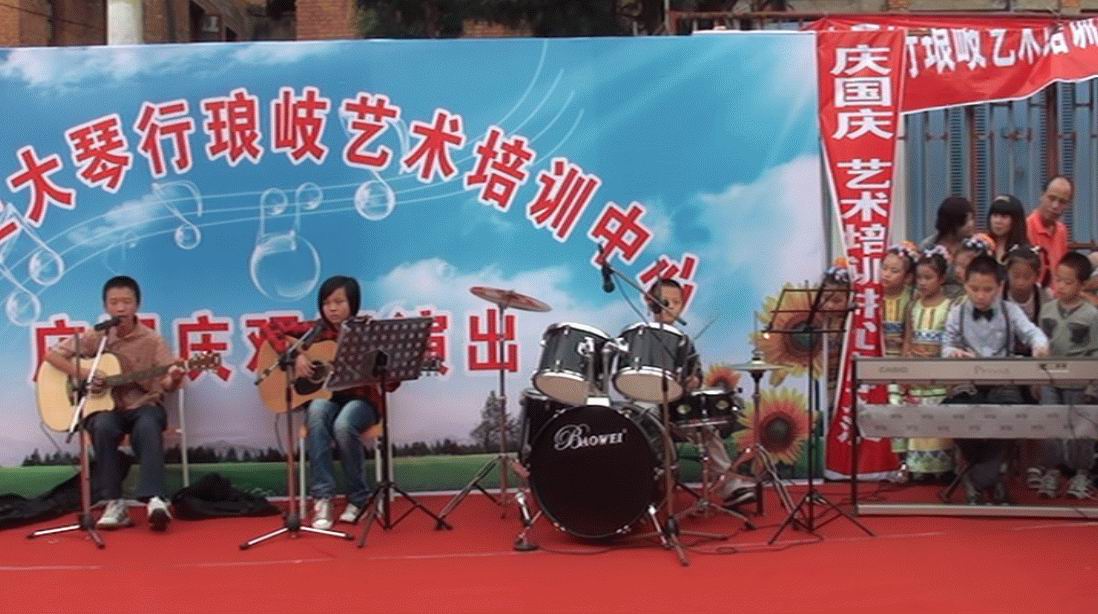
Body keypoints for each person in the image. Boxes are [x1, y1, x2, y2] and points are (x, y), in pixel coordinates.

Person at [44, 276, 185, 531]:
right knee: (103, 425)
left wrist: (174, 377)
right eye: (114, 302)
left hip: (143, 405)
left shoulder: (153, 341)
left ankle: (155, 499)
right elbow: (52, 356)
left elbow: (167, 384)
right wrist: (85, 374)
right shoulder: (98, 335)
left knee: (148, 423)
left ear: (137, 305)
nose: (120, 308)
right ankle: (115, 503)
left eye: (127, 302)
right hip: (105, 409)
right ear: (106, 306)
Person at [261, 275, 394, 529]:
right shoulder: (314, 331)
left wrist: (387, 370)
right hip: (326, 398)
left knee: (343, 425)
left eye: (339, 302)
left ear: (353, 303)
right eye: (326, 302)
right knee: (317, 411)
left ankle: (359, 498)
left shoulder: (366, 331)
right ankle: (323, 498)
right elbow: (270, 327)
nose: (332, 308)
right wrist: (296, 355)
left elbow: (390, 380)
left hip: (362, 401)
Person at [941, 254, 1049, 504]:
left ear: (1000, 286)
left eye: (988, 289)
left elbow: (1033, 333)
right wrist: (953, 353)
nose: (980, 296)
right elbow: (945, 346)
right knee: (955, 415)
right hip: (968, 382)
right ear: (965, 284)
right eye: (974, 289)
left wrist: (1040, 345)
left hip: (1003, 382)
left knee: (1010, 415)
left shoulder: (1010, 311)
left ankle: (977, 478)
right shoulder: (956, 313)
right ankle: (991, 475)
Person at [645, 278, 755, 508]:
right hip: (647, 404)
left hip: (676, 409)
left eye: (677, 302)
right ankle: (645, 490)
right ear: (650, 302)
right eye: (665, 301)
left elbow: (696, 375)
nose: (671, 307)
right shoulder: (639, 336)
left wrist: (693, 381)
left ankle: (730, 486)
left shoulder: (684, 342)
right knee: (646, 418)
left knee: (707, 426)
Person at [1034, 252, 1098, 500]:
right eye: (1057, 280)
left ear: (1082, 284)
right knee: (1050, 424)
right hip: (1050, 379)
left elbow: (1095, 351)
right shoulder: (1047, 309)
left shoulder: (1091, 315)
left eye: (1067, 282)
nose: (1060, 286)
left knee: (1081, 429)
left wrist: (1092, 386)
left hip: (1079, 382)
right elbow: (1040, 342)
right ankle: (1052, 470)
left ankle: (1081, 473)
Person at [896, 247, 956, 481]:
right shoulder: (913, 306)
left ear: (941, 279)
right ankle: (917, 467)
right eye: (919, 277)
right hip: (917, 373)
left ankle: (942, 467)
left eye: (928, 277)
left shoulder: (950, 306)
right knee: (917, 416)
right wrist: (906, 368)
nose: (922, 282)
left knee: (937, 417)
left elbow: (951, 340)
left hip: (939, 374)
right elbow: (908, 339)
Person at [919, 196, 976, 299]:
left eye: (972, 219)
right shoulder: (928, 246)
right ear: (953, 223)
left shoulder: (973, 246)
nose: (971, 224)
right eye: (967, 221)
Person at [1026, 176, 1074, 290]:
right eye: (1051, 198)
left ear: (1068, 205)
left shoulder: (1062, 230)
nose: (1055, 206)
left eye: (1062, 202)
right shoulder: (1026, 227)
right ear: (1042, 195)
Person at [985, 194, 1029, 263]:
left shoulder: (1025, 253)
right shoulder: (983, 246)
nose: (998, 221)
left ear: (1015, 220)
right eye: (995, 215)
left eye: (1004, 216)